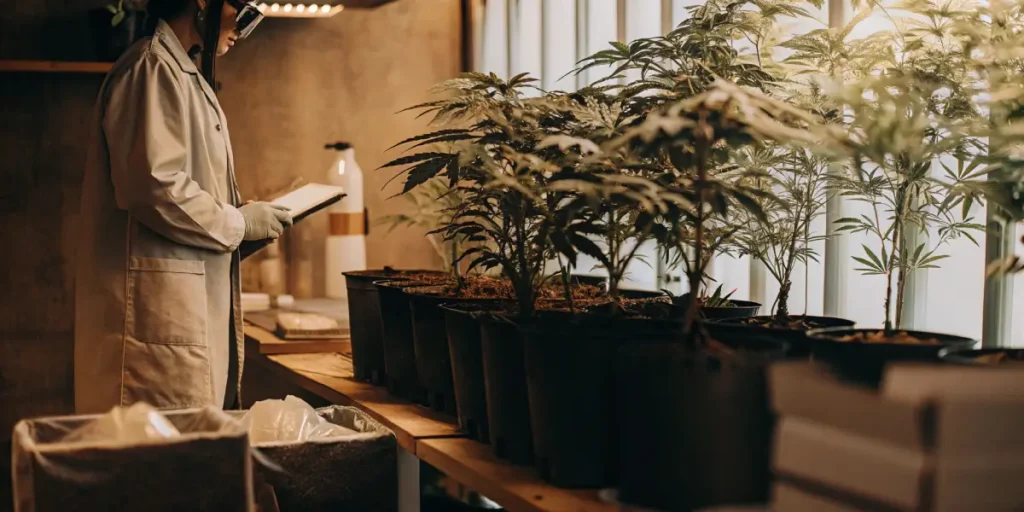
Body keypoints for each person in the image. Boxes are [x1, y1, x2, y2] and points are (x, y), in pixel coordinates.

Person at [75, 0, 291, 413]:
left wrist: (237, 223)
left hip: (178, 313)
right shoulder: (151, 68)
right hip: (153, 325)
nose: (244, 28)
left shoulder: (179, 71)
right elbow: (152, 185)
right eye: (243, 10)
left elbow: (176, 186)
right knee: (158, 448)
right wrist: (237, 223)